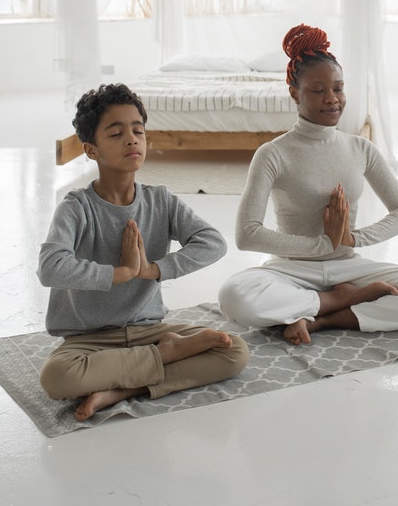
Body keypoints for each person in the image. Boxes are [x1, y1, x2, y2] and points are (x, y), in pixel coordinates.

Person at [218, 24, 398, 345]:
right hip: (292, 270)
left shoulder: (360, 148)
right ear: (295, 93)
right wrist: (322, 246)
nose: (332, 98)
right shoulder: (273, 153)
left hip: (350, 268)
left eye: (338, 88)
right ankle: (339, 301)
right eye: (318, 90)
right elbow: (246, 234)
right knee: (234, 295)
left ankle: (322, 319)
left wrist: (351, 238)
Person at [38, 83, 249, 422]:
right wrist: (120, 273)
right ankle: (163, 359)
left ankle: (125, 390)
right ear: (91, 150)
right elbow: (50, 268)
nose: (132, 139)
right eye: (116, 132)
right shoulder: (75, 208)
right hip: (90, 341)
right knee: (57, 376)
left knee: (234, 351)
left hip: (148, 331)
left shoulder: (160, 200)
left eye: (138, 130)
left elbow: (213, 242)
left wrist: (152, 269)